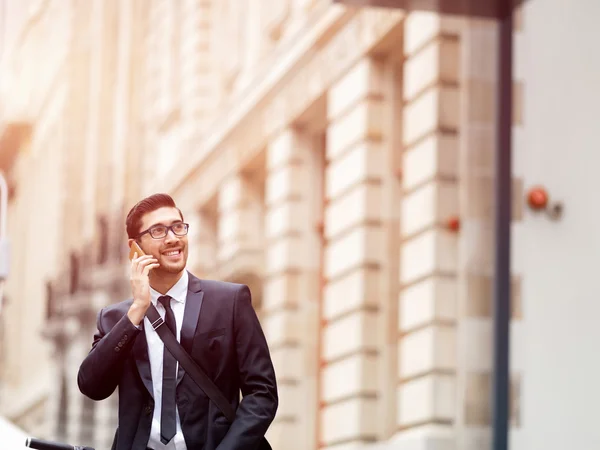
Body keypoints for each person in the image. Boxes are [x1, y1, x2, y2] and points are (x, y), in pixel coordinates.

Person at [78, 193, 278, 450]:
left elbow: (262, 394)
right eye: (158, 231)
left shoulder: (230, 301)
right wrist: (138, 309)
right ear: (135, 247)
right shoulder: (116, 318)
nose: (173, 238)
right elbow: (92, 385)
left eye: (177, 227)